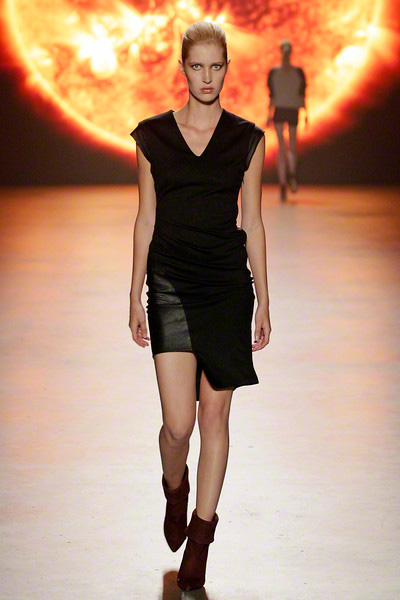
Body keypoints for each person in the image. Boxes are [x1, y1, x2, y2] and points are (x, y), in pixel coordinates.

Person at [129, 21, 271, 592]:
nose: (207, 77)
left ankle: (201, 539)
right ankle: (175, 487)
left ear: (227, 67)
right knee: (177, 424)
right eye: (197, 66)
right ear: (183, 68)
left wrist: (264, 299)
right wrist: (133, 292)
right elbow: (145, 218)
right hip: (168, 282)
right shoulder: (152, 137)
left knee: (215, 418)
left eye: (216, 66)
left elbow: (253, 222)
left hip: (227, 288)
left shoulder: (247, 139)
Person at [267, 39, 308, 201]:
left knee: (288, 148)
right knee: (287, 148)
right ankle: (286, 181)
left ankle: (288, 179)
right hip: (286, 110)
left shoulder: (284, 72)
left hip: (288, 110)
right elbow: (273, 95)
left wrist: (306, 113)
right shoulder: (281, 73)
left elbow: (301, 94)